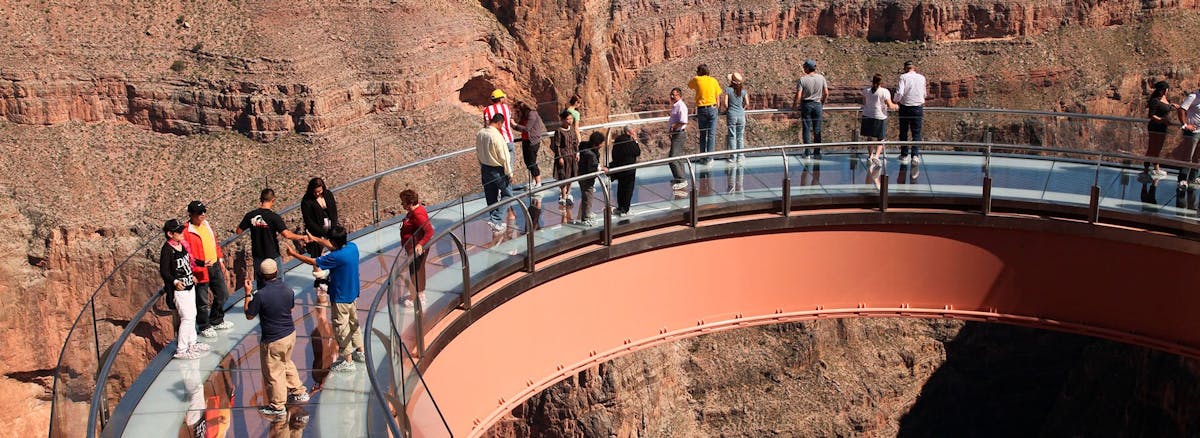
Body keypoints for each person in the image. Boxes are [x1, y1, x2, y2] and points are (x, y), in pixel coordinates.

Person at [286, 226, 363, 372]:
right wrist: (314, 238)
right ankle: (360, 351)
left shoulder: (336, 257)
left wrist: (293, 254)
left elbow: (313, 261)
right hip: (352, 293)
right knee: (354, 323)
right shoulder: (352, 247)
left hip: (340, 297)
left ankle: (348, 361)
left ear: (334, 242)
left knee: (341, 328)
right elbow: (332, 245)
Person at [242, 259, 309, 418]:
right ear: (276, 273)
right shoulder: (288, 290)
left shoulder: (260, 295)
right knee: (285, 362)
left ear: (261, 276)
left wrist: (247, 293)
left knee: (274, 373)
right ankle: (299, 391)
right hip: (289, 334)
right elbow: (291, 308)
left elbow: (249, 315)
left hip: (273, 339)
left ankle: (278, 406)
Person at [235, 188, 308, 289]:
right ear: (273, 200)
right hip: (272, 255)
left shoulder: (250, 215)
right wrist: (303, 237)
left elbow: (238, 231)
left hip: (257, 255)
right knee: (277, 283)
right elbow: (287, 235)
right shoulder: (274, 217)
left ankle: (264, 303)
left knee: (261, 283)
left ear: (261, 199)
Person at [182, 201, 232, 340]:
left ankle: (216, 320)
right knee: (202, 301)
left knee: (223, 294)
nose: (203, 214)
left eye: (204, 211)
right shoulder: (186, 231)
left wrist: (220, 258)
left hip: (214, 265)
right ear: (191, 214)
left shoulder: (206, 225)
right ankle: (204, 325)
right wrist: (191, 272)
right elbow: (186, 254)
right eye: (199, 213)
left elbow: (214, 242)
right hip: (199, 270)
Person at [160, 219, 208, 360]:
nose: (182, 233)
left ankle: (192, 343)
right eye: (178, 231)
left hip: (189, 286)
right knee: (186, 318)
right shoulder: (167, 249)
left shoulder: (182, 245)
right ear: (170, 234)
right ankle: (181, 349)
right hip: (179, 290)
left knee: (192, 315)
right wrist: (175, 282)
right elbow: (164, 271)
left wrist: (194, 272)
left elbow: (188, 262)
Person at [476, 113, 515, 233]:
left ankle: (495, 222)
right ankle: (496, 219)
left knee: (491, 195)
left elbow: (477, 151)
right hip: (497, 170)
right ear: (499, 123)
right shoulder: (496, 136)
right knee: (508, 194)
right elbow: (504, 156)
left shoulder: (480, 133)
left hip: (485, 168)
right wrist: (509, 173)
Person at [399, 189, 433, 308]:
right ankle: (419, 293)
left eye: (403, 202)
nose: (402, 205)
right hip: (412, 247)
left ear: (410, 202)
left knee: (416, 270)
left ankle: (419, 296)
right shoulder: (413, 212)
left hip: (417, 248)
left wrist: (420, 244)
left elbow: (429, 231)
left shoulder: (417, 214)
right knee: (417, 269)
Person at [791, 59, 829, 159]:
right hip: (817, 105)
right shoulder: (821, 78)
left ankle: (807, 153)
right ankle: (817, 152)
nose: (803, 68)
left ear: (807, 68)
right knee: (817, 129)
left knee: (807, 129)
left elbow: (798, 95)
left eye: (804, 67)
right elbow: (826, 93)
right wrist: (822, 103)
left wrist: (794, 106)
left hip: (806, 105)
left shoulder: (802, 80)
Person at [894, 60, 927, 164]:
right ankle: (915, 156)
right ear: (914, 67)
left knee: (904, 132)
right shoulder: (922, 78)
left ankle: (904, 155)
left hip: (905, 107)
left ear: (905, 68)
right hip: (918, 107)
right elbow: (924, 93)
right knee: (916, 132)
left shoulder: (903, 77)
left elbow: (900, 93)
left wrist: (895, 101)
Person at [688, 64, 722, 164]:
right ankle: (710, 158)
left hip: (702, 109)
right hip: (713, 108)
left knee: (703, 134)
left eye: (697, 71)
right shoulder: (714, 80)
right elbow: (718, 96)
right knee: (711, 134)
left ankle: (703, 157)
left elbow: (689, 85)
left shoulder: (697, 79)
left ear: (699, 71)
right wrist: (717, 107)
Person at [862, 74, 898, 167]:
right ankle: (876, 157)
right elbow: (890, 105)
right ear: (881, 82)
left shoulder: (866, 91)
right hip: (879, 116)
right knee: (880, 138)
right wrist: (896, 106)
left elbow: (864, 102)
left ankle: (870, 156)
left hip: (867, 115)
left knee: (869, 138)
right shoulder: (884, 92)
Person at [1143, 81, 1175, 181]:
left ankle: (1156, 167)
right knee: (1152, 148)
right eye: (1167, 89)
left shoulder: (1165, 99)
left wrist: (1173, 106)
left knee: (1158, 148)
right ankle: (1147, 169)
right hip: (1155, 127)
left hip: (1163, 128)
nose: (1168, 91)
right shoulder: (1155, 100)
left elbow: (1165, 108)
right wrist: (1162, 120)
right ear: (1163, 90)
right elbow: (1151, 115)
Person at [300, 177, 338, 258]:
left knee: (335, 249)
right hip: (316, 230)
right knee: (317, 255)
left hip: (330, 226)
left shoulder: (328, 194)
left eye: (319, 191)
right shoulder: (306, 201)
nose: (317, 194)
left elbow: (334, 211)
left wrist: (333, 227)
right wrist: (321, 232)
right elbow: (308, 220)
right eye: (315, 192)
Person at [484, 89, 519, 171]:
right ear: (500, 99)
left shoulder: (487, 110)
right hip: (508, 140)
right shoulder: (506, 108)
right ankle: (509, 182)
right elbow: (511, 120)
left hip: (495, 142)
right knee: (509, 167)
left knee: (499, 167)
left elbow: (486, 126)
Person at [608, 126, 641, 216]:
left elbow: (614, 153)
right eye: (633, 131)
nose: (635, 133)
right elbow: (637, 152)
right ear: (628, 132)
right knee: (628, 190)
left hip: (620, 169)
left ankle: (620, 207)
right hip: (629, 170)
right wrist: (636, 141)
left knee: (621, 188)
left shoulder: (618, 140)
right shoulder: (630, 141)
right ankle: (625, 210)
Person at [550, 110, 580, 206]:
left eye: (571, 119)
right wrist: (560, 157)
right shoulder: (559, 131)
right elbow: (557, 145)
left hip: (571, 155)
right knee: (563, 176)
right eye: (568, 119)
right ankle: (563, 195)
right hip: (563, 156)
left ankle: (568, 193)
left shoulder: (571, 129)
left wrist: (577, 153)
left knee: (570, 175)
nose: (570, 121)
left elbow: (575, 142)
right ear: (562, 120)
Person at [577, 132, 606, 225]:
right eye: (600, 144)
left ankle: (587, 212)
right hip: (586, 177)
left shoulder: (584, 146)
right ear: (595, 144)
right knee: (587, 196)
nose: (601, 146)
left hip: (581, 173)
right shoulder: (590, 154)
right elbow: (592, 167)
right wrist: (601, 168)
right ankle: (585, 218)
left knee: (587, 195)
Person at [515, 102, 546, 188]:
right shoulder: (524, 116)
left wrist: (514, 125)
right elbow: (520, 125)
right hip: (525, 140)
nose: (518, 112)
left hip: (533, 141)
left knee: (532, 162)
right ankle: (533, 181)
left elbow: (526, 128)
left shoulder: (532, 114)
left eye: (518, 111)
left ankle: (538, 181)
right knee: (527, 162)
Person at [721, 72, 750, 162]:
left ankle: (733, 157)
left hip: (731, 115)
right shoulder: (743, 91)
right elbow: (747, 103)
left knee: (732, 136)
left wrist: (729, 109)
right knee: (740, 136)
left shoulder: (728, 90)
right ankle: (740, 156)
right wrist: (742, 108)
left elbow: (725, 103)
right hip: (741, 115)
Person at [1176, 87, 1200, 189]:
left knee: (1198, 156)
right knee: (1188, 156)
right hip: (1192, 132)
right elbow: (1182, 109)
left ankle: (1193, 177)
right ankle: (1183, 179)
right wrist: (1185, 125)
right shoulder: (1193, 96)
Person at [667, 87, 689, 191]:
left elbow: (683, 121)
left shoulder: (681, 106)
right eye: (671, 94)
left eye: (674, 95)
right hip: (676, 134)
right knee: (678, 157)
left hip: (679, 134)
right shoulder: (676, 106)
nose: (672, 96)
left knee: (672, 158)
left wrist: (673, 126)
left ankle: (681, 180)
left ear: (679, 95)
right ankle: (680, 178)